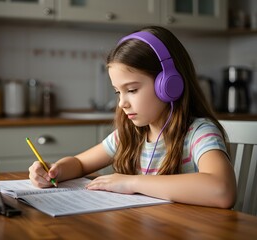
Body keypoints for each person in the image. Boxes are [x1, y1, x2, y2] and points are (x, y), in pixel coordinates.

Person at [28, 26, 237, 208]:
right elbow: (80, 164)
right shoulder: (129, 135)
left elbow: (222, 190)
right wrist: (54, 171)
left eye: (132, 90)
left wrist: (131, 182)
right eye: (118, 92)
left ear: (169, 85)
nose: (122, 103)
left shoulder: (198, 133)